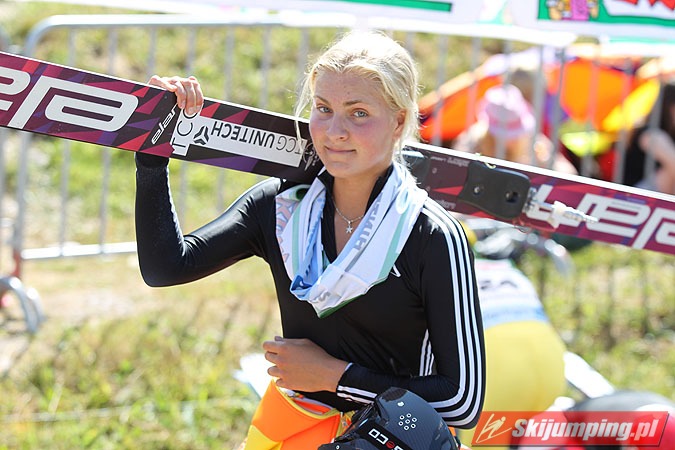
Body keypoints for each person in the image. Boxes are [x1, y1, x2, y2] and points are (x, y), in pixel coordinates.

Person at [135, 30, 485, 448]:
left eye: (358, 113)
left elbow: (462, 401)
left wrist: (334, 376)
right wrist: (153, 156)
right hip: (291, 432)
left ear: (398, 121)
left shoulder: (432, 234)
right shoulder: (281, 207)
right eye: (323, 109)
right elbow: (166, 267)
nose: (335, 131)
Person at [453, 83, 578, 175]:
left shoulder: (534, 141)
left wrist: (546, 161)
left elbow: (569, 174)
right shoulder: (471, 142)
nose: (511, 139)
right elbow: (455, 173)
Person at [622, 82, 675, 195]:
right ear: (669, 107)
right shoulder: (649, 133)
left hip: (656, 193)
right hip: (634, 193)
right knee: (669, 171)